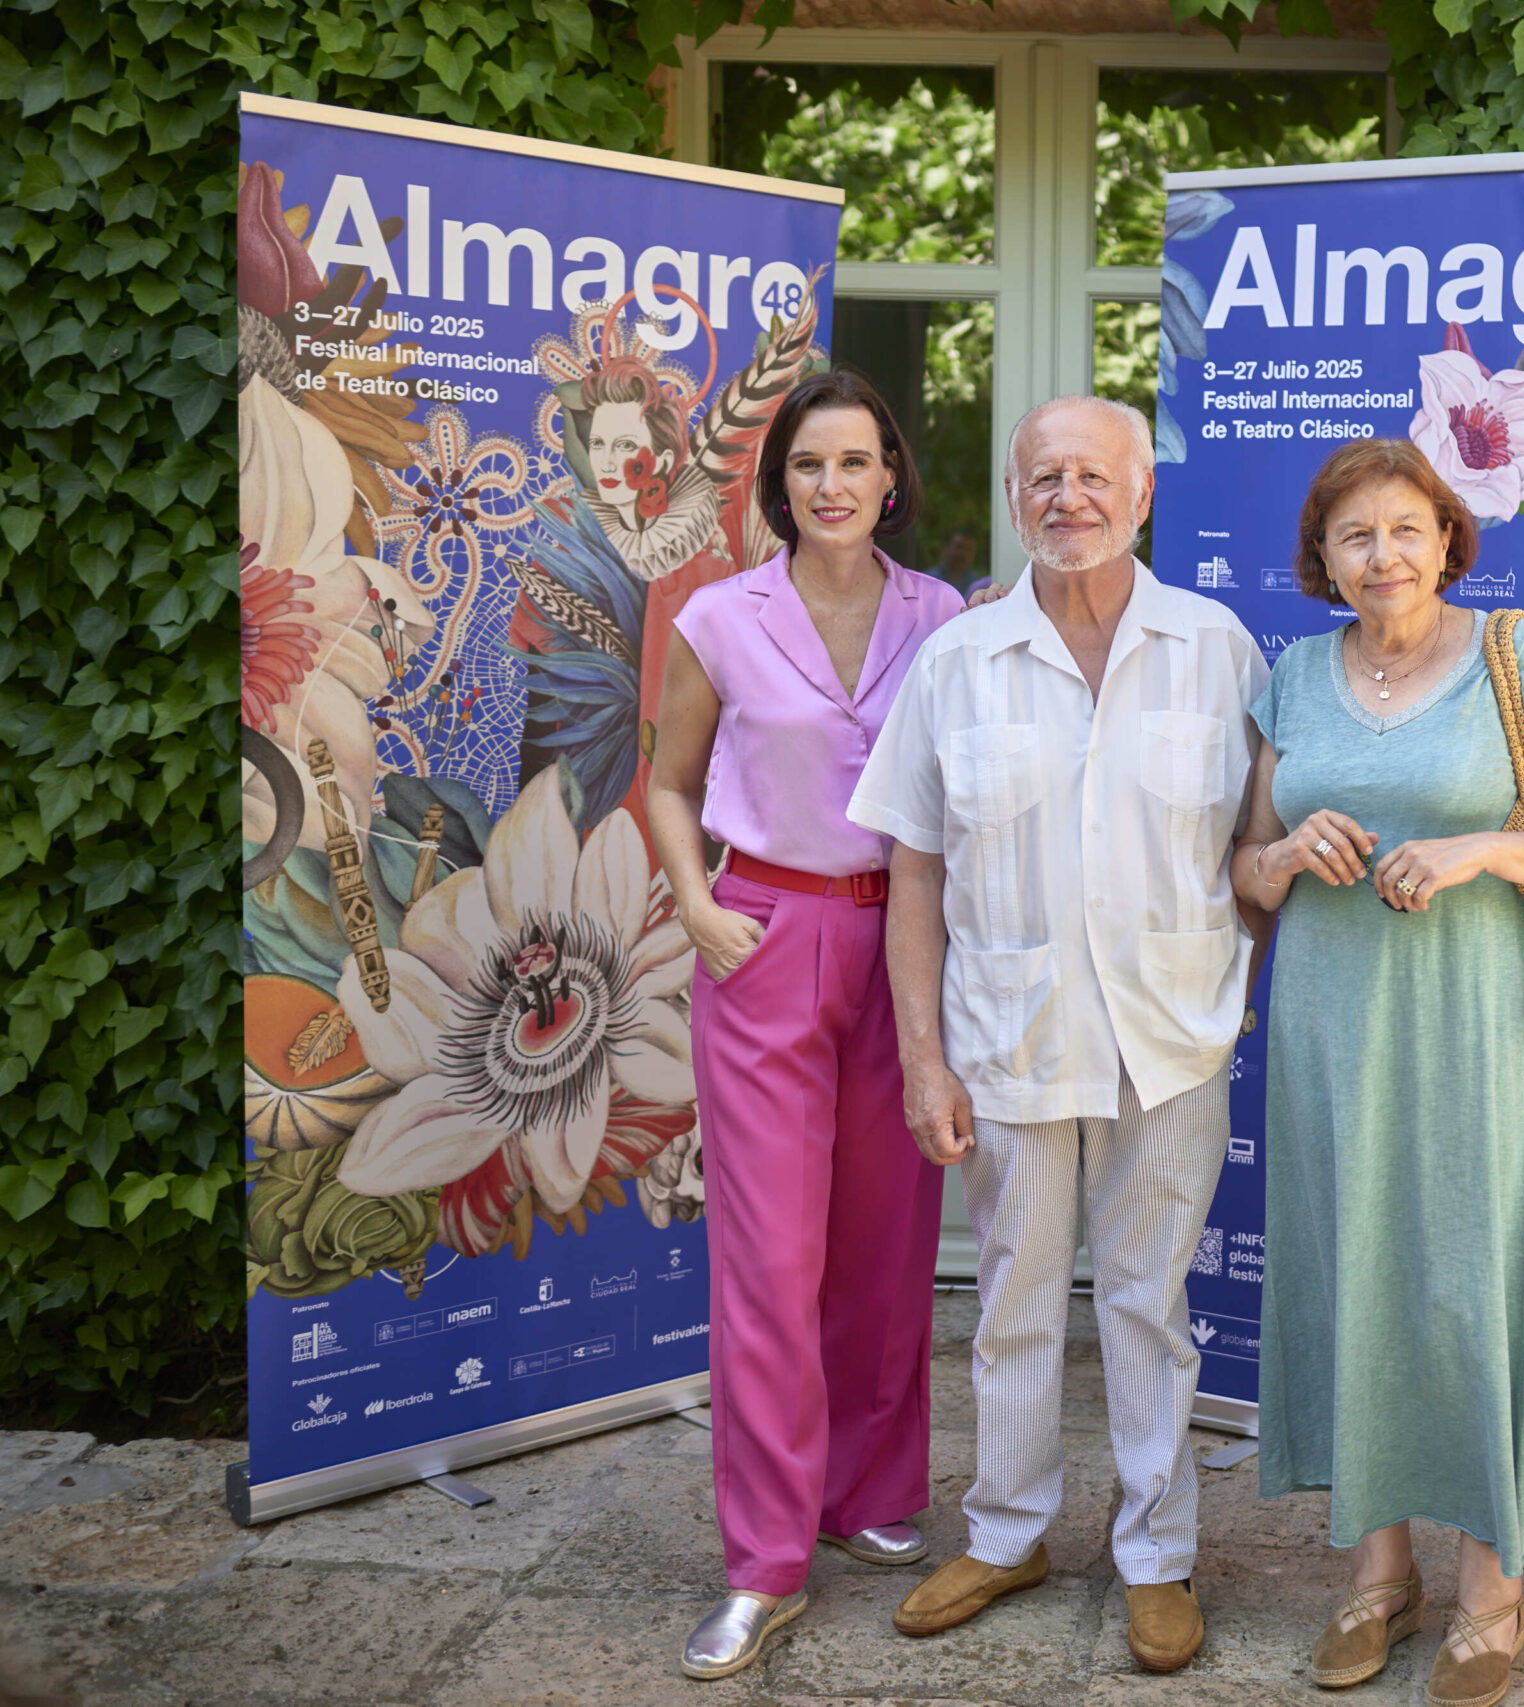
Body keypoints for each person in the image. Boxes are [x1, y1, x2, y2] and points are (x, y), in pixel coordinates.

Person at [849, 395, 1267, 1675]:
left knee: (1149, 1307)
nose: (1068, 497)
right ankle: (1009, 1529)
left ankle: (1156, 1556)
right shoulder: (957, 661)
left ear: (1141, 496)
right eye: (1045, 477)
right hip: (1010, 1040)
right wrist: (923, 1058)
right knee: (1012, 1305)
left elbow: (1257, 851)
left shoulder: (1218, 648)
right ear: (1017, 497)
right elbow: (913, 872)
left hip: (1172, 1039)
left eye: (1095, 475)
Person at [1228, 438, 1524, 1707]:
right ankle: (1376, 1573)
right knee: (1352, 1281)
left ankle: (1491, 1585)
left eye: (1405, 529)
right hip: (1328, 1029)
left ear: (1446, 538)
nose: (1381, 554)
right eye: (1355, 536)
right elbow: (1244, 871)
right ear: (1323, 560)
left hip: (1467, 1024)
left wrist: (1473, 855)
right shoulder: (1291, 676)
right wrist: (1288, 850)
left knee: (1471, 1289)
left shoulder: (1512, 652)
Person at [646, 369, 964, 1681]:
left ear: (893, 476)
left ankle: (871, 1490)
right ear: (777, 480)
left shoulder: (942, 616)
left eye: (858, 461)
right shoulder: (722, 616)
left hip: (906, 940)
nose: (833, 484)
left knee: (889, 1239)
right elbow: (666, 784)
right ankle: (764, 1559)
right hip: (765, 937)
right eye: (809, 463)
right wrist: (694, 902)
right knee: (772, 1260)